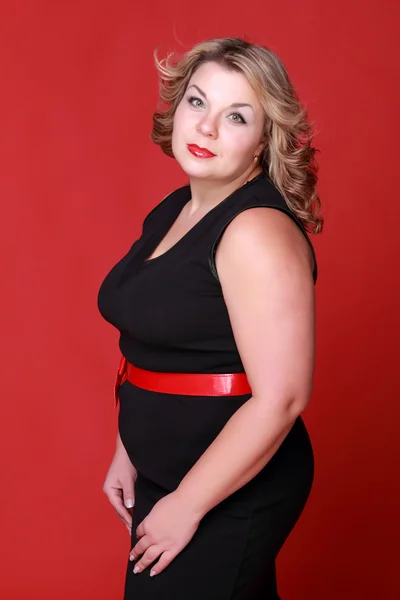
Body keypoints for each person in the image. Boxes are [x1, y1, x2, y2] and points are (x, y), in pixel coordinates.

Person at [97, 36, 323, 600]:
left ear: (263, 139)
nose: (206, 127)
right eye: (198, 102)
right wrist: (129, 449)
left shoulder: (255, 233)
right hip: (169, 477)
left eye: (237, 115)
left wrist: (186, 504)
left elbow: (283, 398)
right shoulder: (179, 207)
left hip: (229, 488)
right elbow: (160, 345)